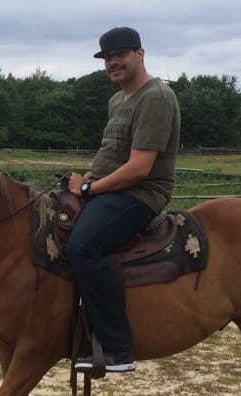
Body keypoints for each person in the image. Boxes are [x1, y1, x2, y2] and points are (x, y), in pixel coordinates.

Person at [66, 27, 180, 374]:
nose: (113, 62)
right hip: (111, 188)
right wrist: (88, 178)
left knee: (83, 247)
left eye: (121, 55)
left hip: (141, 194)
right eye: (107, 58)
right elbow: (114, 154)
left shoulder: (156, 97)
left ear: (140, 54)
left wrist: (89, 190)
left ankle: (116, 347)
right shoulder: (117, 100)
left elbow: (139, 168)